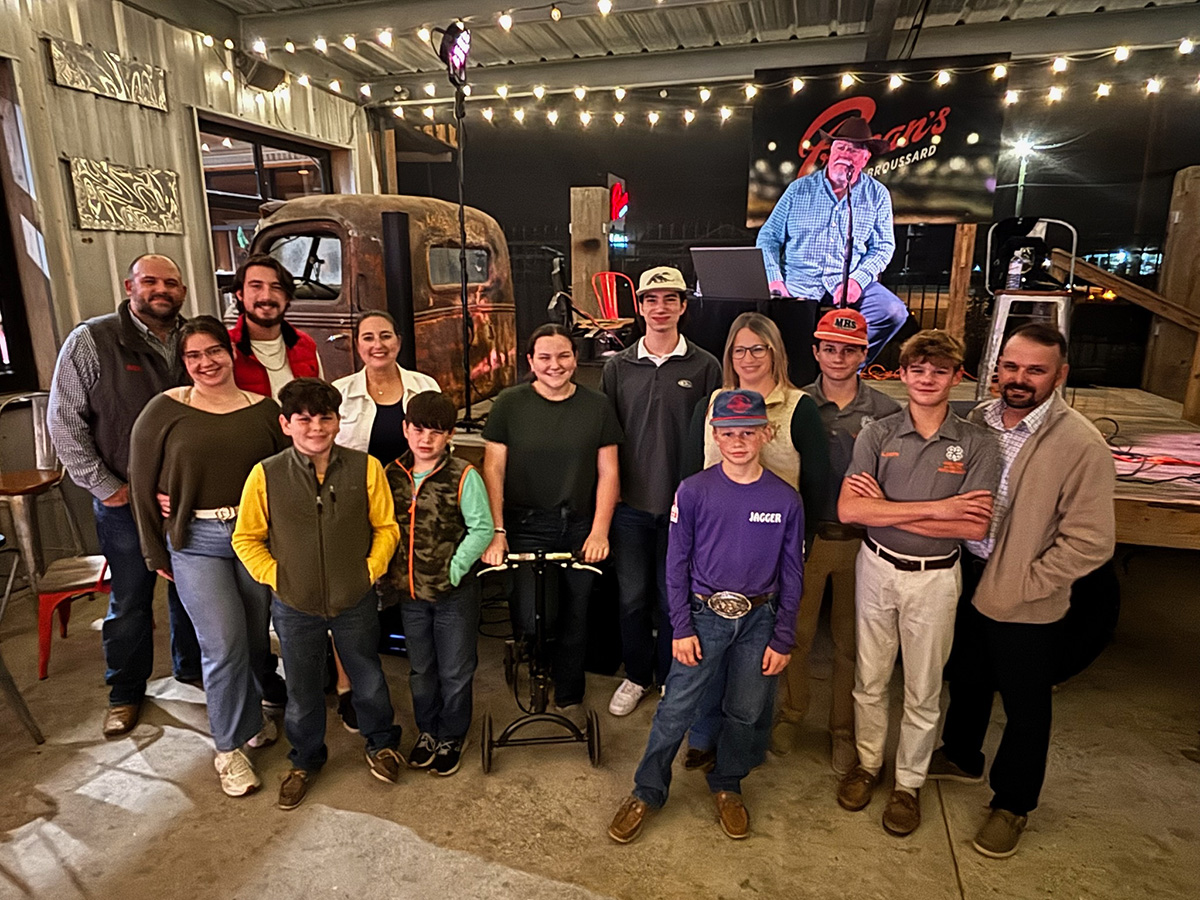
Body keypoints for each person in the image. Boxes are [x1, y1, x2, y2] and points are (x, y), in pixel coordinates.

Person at [929, 324, 1115, 858]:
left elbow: (1092, 541)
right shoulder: (975, 420)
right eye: (1011, 366)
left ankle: (1013, 803)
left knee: (1026, 703)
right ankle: (962, 755)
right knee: (966, 671)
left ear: (1060, 375)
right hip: (967, 569)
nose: (1019, 378)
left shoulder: (1080, 443)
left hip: (1027, 593)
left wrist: (1029, 583)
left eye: (1035, 370)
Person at [607, 389, 803, 843]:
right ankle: (647, 789)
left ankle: (728, 783)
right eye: (729, 432)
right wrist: (680, 625)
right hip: (704, 613)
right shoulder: (694, 491)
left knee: (746, 708)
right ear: (715, 435)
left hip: (760, 617)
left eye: (748, 432)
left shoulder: (785, 499)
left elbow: (792, 571)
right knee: (675, 707)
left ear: (766, 434)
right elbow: (675, 562)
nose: (738, 441)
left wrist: (783, 635)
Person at [834, 329, 1000, 837]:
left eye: (940, 370)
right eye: (918, 369)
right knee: (870, 677)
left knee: (925, 688)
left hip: (935, 578)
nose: (928, 379)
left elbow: (974, 526)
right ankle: (867, 765)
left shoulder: (977, 442)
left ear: (956, 376)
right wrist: (939, 508)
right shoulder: (877, 434)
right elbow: (850, 510)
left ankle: (907, 785)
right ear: (901, 374)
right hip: (877, 566)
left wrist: (887, 510)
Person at [128, 317, 289, 797]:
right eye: (194, 356)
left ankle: (249, 714)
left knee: (255, 639)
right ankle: (229, 749)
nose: (206, 363)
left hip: (253, 539)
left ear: (231, 352)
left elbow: (288, 475)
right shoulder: (163, 411)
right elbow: (141, 484)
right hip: (195, 540)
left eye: (214, 351)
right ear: (183, 361)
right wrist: (153, 547)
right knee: (221, 643)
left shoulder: (264, 411)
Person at [47, 253, 201, 738]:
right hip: (125, 500)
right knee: (131, 598)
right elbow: (64, 421)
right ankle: (125, 692)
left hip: (186, 497)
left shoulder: (193, 340)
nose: (162, 290)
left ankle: (191, 669)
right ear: (128, 285)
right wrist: (105, 486)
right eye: (151, 281)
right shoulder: (92, 340)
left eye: (171, 283)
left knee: (190, 589)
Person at [232, 378, 404, 810]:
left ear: (338, 420)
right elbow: (246, 538)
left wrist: (368, 571)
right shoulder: (265, 475)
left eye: (325, 417)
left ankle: (381, 743)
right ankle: (305, 759)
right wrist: (277, 577)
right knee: (303, 688)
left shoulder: (366, 468)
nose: (315, 427)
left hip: (355, 598)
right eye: (303, 419)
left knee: (367, 675)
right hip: (294, 604)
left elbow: (386, 528)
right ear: (285, 424)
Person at [683, 312, 831, 769]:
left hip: (771, 556)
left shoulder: (796, 407)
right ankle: (704, 737)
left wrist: (798, 549)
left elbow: (819, 486)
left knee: (759, 660)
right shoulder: (713, 403)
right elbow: (691, 471)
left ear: (775, 353)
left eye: (757, 349)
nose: (747, 358)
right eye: (739, 350)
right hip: (714, 554)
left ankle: (746, 745)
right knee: (711, 656)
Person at [771, 309, 900, 772]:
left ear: (864, 354)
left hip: (862, 542)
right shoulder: (797, 405)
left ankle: (842, 729)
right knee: (797, 634)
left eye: (849, 349)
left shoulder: (886, 412)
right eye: (830, 348)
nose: (839, 357)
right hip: (808, 538)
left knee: (852, 641)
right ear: (815, 351)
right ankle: (791, 712)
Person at [481, 324, 623, 711]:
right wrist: (496, 530)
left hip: (578, 523)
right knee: (534, 616)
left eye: (563, 356)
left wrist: (600, 531)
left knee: (577, 614)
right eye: (544, 357)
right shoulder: (510, 403)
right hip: (526, 525)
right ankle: (534, 659)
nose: (554, 365)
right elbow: (493, 469)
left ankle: (569, 692)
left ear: (575, 359)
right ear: (530, 361)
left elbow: (609, 472)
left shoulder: (596, 406)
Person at [601, 266, 722, 718]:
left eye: (670, 299)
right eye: (652, 300)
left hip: (684, 509)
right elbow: (606, 440)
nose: (660, 308)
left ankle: (674, 678)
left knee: (675, 598)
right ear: (640, 307)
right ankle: (636, 675)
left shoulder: (705, 366)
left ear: (683, 307)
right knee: (632, 598)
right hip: (630, 507)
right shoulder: (618, 367)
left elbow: (715, 440)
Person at [328, 310, 441, 729]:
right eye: (368, 337)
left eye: (386, 336)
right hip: (356, 511)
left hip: (413, 510)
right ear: (356, 345)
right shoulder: (339, 393)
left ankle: (424, 685)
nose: (378, 345)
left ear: (398, 341)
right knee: (352, 599)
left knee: (408, 597)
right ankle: (347, 688)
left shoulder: (423, 386)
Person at [386, 391, 493, 777]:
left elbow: (481, 529)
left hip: (453, 594)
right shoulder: (391, 473)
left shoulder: (464, 475)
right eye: (418, 430)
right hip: (409, 594)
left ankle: (452, 733)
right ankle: (427, 730)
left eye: (436, 432)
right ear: (405, 429)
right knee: (421, 668)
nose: (425, 439)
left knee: (456, 669)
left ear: (449, 435)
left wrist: (454, 568)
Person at [756, 115, 909, 366]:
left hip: (848, 282)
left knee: (892, 311)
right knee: (782, 330)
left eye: (854, 149)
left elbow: (883, 247)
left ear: (866, 157)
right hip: (799, 281)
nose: (845, 154)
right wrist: (775, 279)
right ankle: (805, 371)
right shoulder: (799, 189)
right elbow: (768, 236)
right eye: (841, 147)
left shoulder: (877, 194)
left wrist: (857, 281)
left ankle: (846, 368)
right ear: (830, 151)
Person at [227, 254, 323, 400]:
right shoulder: (224, 348)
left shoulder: (305, 345)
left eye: (276, 287)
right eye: (256, 286)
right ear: (240, 294)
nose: (266, 296)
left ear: (287, 297)